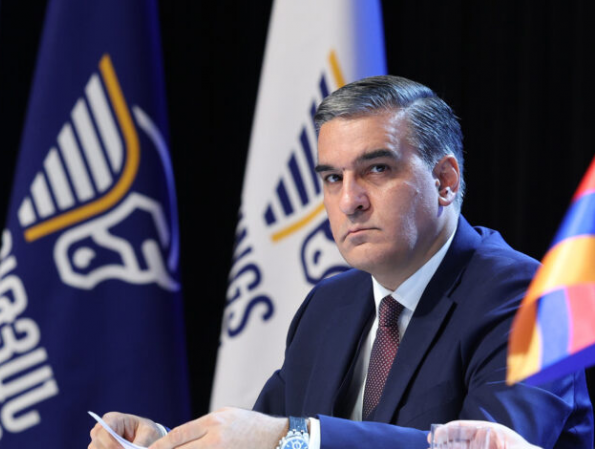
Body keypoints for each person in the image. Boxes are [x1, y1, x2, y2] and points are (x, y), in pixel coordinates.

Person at [88, 75, 593, 449]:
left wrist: (294, 439)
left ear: (445, 182)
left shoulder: (531, 298)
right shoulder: (328, 305)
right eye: (332, 178)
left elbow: (494, 446)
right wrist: (164, 441)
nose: (349, 201)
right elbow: (258, 437)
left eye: (377, 169)